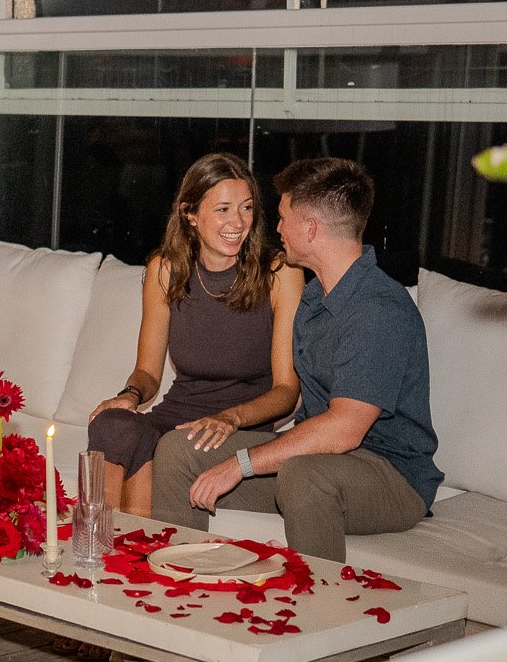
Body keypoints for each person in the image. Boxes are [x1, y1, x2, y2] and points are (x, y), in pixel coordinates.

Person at [150, 157, 440, 564]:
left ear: (310, 228)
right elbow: (302, 396)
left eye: (284, 217)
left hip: (389, 476)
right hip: (317, 462)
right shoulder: (314, 296)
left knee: (304, 473)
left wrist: (242, 463)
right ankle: (179, 583)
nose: (276, 228)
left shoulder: (378, 309)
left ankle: (317, 610)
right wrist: (235, 424)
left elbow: (343, 431)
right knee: (180, 450)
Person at [86, 153, 304, 518]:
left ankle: (135, 543)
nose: (238, 222)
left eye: (247, 208)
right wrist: (130, 395)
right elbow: (149, 373)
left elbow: (286, 391)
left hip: (242, 426)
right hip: (179, 414)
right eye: (223, 210)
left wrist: (231, 418)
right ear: (190, 214)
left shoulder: (278, 272)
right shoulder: (165, 270)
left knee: (173, 446)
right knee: (112, 425)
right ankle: (109, 540)